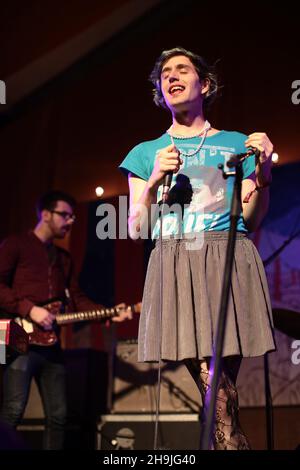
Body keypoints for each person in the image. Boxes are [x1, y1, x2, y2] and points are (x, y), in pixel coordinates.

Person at [119, 47, 276, 450]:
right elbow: (137, 227)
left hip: (227, 262)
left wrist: (264, 172)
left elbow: (252, 218)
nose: (171, 76)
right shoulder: (144, 152)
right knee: (218, 390)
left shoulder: (237, 143)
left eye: (181, 70)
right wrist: (154, 180)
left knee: (218, 391)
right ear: (160, 90)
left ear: (204, 84)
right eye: (165, 73)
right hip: (177, 264)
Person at [0, 190, 131, 449]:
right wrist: (29, 309)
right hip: (16, 341)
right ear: (45, 214)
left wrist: (107, 312)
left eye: (73, 217)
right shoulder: (15, 245)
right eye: (65, 215)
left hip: (51, 346)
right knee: (13, 410)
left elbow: (77, 299)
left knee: (58, 416)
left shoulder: (64, 258)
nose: (71, 221)